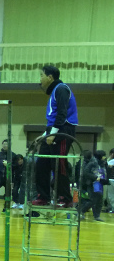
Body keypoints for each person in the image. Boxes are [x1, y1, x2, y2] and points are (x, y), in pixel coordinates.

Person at [33, 65, 78, 206]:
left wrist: (52, 134)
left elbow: (62, 114)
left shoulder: (62, 89)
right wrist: (44, 134)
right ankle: (43, 196)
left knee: (59, 165)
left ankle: (65, 198)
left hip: (63, 130)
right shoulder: (54, 91)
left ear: (50, 77)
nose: (40, 79)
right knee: (41, 164)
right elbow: (52, 118)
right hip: (53, 131)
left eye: (41, 75)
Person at [79, 150, 106, 222]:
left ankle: (97, 216)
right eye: (103, 156)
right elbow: (85, 173)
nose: (104, 157)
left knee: (99, 200)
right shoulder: (92, 163)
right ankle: (81, 211)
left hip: (99, 183)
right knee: (92, 200)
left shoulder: (102, 163)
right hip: (92, 183)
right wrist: (95, 177)